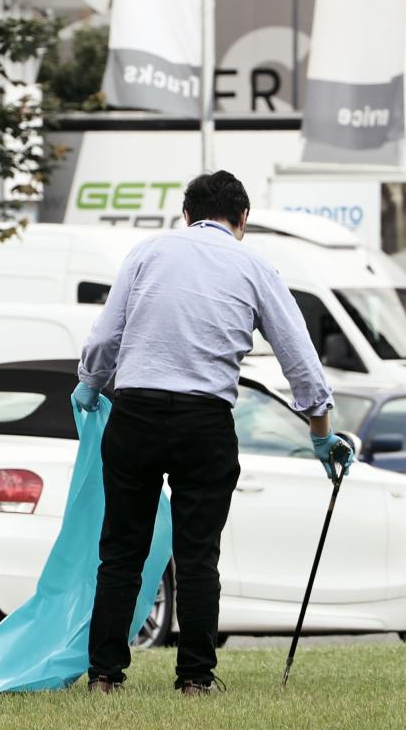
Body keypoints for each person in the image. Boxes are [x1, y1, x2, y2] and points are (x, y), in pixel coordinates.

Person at [76, 170, 351, 695]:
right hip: (206, 421)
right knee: (199, 553)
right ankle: (195, 679)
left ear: (187, 215)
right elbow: (300, 357)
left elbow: (106, 335)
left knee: (121, 550)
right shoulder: (255, 267)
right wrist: (320, 430)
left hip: (135, 413)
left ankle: (105, 676)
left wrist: (90, 384)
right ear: (241, 219)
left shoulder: (145, 254)